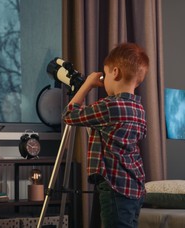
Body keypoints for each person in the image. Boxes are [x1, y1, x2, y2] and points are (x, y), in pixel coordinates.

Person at [62, 42, 149, 228]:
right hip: (135, 187)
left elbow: (69, 115)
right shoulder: (139, 109)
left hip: (115, 186)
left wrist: (87, 85)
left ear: (115, 72)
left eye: (105, 74)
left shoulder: (109, 106)